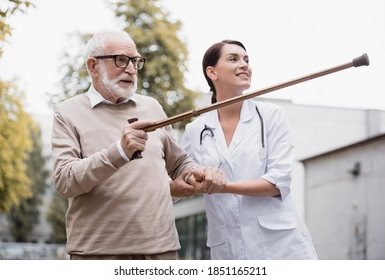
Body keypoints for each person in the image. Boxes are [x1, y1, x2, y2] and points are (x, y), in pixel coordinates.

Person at [51, 30, 225, 260]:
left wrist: (195, 173)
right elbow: (65, 181)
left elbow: (179, 162)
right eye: (121, 60)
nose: (131, 69)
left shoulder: (152, 106)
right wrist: (120, 151)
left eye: (135, 61)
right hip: (97, 255)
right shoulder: (67, 112)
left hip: (161, 252)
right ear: (93, 66)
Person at [180, 40, 318, 260]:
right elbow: (181, 180)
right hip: (228, 249)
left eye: (246, 60)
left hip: (282, 247)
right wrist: (192, 181)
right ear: (212, 72)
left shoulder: (272, 115)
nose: (244, 64)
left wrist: (222, 186)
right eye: (234, 59)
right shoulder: (195, 129)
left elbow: (278, 182)